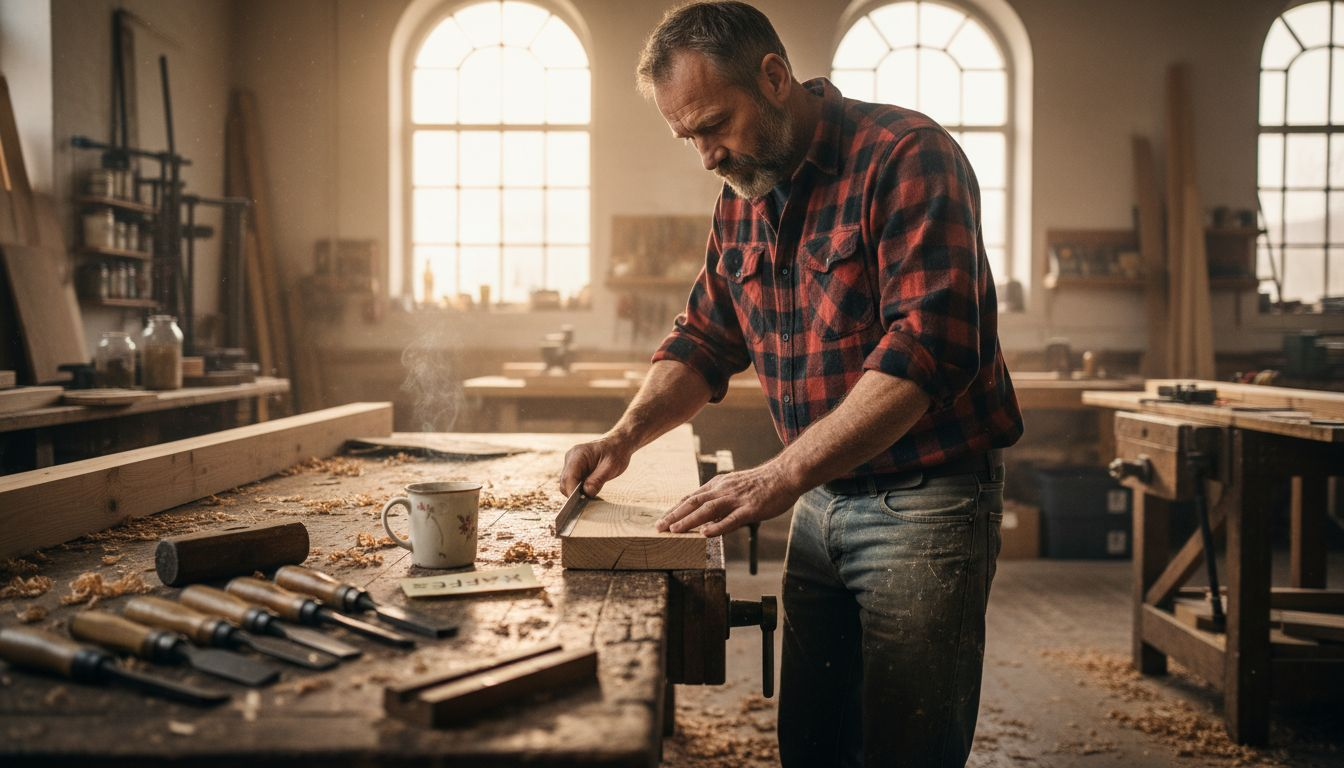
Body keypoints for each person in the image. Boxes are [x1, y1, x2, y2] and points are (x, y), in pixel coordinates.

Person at [558, 2, 1023, 765]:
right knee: (813, 745)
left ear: (774, 78)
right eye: (688, 138)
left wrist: (781, 473)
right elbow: (706, 338)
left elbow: (930, 349)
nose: (706, 156)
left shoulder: (906, 156)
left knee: (906, 749)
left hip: (926, 503)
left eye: (713, 125)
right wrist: (623, 437)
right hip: (822, 500)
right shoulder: (743, 195)